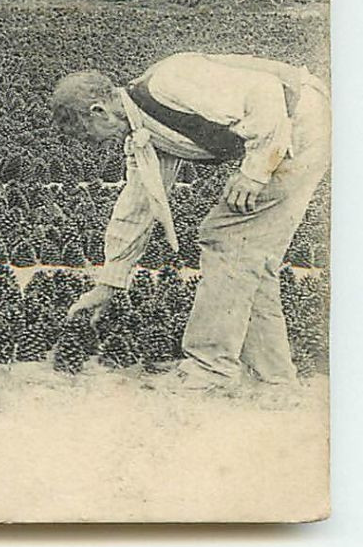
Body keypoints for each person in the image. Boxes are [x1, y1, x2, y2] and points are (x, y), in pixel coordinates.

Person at [50, 53, 329, 390]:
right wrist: (109, 282)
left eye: (88, 135)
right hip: (292, 128)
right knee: (251, 257)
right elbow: (139, 205)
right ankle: (271, 375)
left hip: (299, 123)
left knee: (226, 239)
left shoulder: (169, 82)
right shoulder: (142, 132)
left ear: (99, 111)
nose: (94, 145)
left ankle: (210, 368)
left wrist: (255, 172)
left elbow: (266, 91)